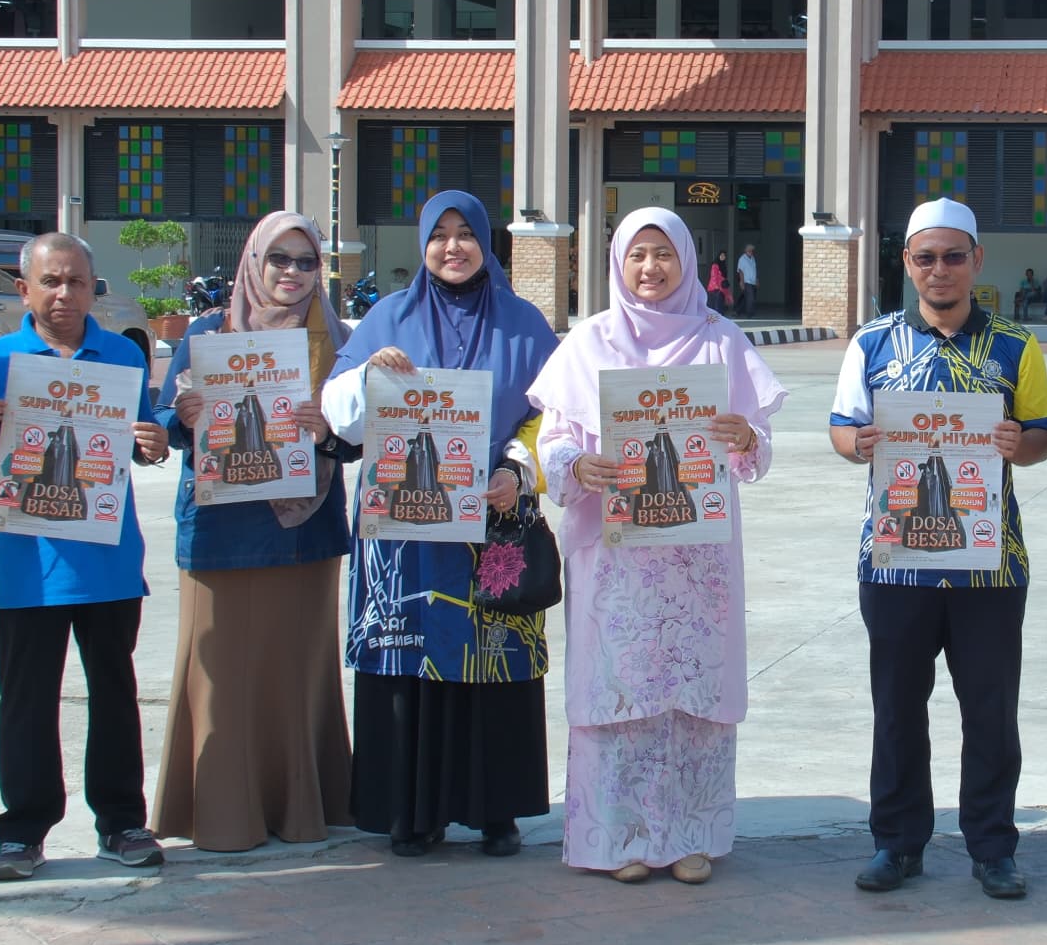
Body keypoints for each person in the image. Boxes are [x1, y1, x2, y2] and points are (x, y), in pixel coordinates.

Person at [528, 208, 785, 883]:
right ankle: (622, 840)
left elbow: (756, 448)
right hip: (615, 559)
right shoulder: (588, 344)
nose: (650, 267)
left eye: (664, 253)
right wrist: (575, 465)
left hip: (696, 561)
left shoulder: (719, 340)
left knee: (692, 694)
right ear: (618, 262)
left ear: (687, 261)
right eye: (637, 254)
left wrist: (746, 438)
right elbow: (553, 442)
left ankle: (689, 836)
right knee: (621, 690)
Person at [830, 199, 1047, 899]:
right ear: (907, 264)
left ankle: (993, 848)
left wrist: (1020, 443)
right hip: (896, 560)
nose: (940, 270)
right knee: (898, 707)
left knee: (990, 709)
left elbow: (1042, 436)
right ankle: (897, 843)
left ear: (976, 261)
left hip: (990, 562)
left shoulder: (1015, 346)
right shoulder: (872, 344)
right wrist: (859, 444)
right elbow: (842, 429)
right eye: (925, 257)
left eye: (954, 256)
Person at [324, 192, 559, 858]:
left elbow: (554, 417)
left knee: (493, 659)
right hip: (406, 536)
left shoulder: (524, 325)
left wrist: (517, 469)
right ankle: (412, 811)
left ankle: (495, 811)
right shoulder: (386, 319)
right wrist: (368, 375)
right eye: (439, 235)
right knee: (409, 660)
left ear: (486, 241)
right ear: (423, 244)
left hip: (493, 519)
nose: (452, 247)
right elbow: (339, 414)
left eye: (466, 234)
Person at [0, 233, 170, 880]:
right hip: (26, 563)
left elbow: (145, 446)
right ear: (24, 290)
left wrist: (154, 443)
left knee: (115, 694)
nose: (64, 294)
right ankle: (23, 830)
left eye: (76, 281)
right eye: (50, 281)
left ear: (92, 288)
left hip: (107, 561)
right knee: (27, 700)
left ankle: (122, 822)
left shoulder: (122, 356)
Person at [151, 212, 355, 852]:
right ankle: (224, 813)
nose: (293, 273)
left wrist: (327, 431)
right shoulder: (209, 333)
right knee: (221, 674)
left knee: (295, 674)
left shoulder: (338, 340)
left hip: (305, 533)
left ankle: (299, 806)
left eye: (306, 261)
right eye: (279, 259)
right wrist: (183, 415)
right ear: (254, 261)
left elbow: (358, 438)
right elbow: (164, 420)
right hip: (223, 528)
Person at [735, 241, 758, 312]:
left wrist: (756, 280)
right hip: (746, 281)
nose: (751, 252)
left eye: (752, 250)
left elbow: (754, 269)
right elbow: (740, 271)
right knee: (750, 298)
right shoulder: (742, 259)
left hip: (753, 281)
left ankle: (738, 311)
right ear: (746, 250)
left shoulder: (752, 258)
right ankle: (749, 314)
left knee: (746, 297)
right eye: (749, 250)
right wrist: (741, 282)